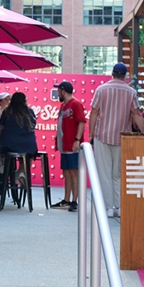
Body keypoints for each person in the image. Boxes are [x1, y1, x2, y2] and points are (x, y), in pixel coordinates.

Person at [88, 63, 144, 217]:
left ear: (112, 74)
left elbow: (94, 112)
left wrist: (91, 133)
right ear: (125, 75)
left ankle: (107, 208)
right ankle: (119, 207)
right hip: (122, 137)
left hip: (102, 135)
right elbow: (137, 114)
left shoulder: (101, 89)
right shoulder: (131, 92)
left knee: (104, 172)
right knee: (118, 174)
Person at [0, 91, 39, 179]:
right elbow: (33, 126)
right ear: (24, 101)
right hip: (29, 145)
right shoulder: (30, 111)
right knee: (27, 154)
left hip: (9, 144)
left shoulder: (7, 111)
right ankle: (21, 172)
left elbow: (1, 127)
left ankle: (1, 169)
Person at [54, 81, 86, 211]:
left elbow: (81, 122)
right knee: (66, 172)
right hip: (64, 145)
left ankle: (74, 200)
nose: (57, 94)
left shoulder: (76, 104)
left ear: (63, 91)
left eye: (58, 91)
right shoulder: (63, 106)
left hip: (73, 145)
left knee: (74, 172)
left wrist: (77, 140)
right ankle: (66, 199)